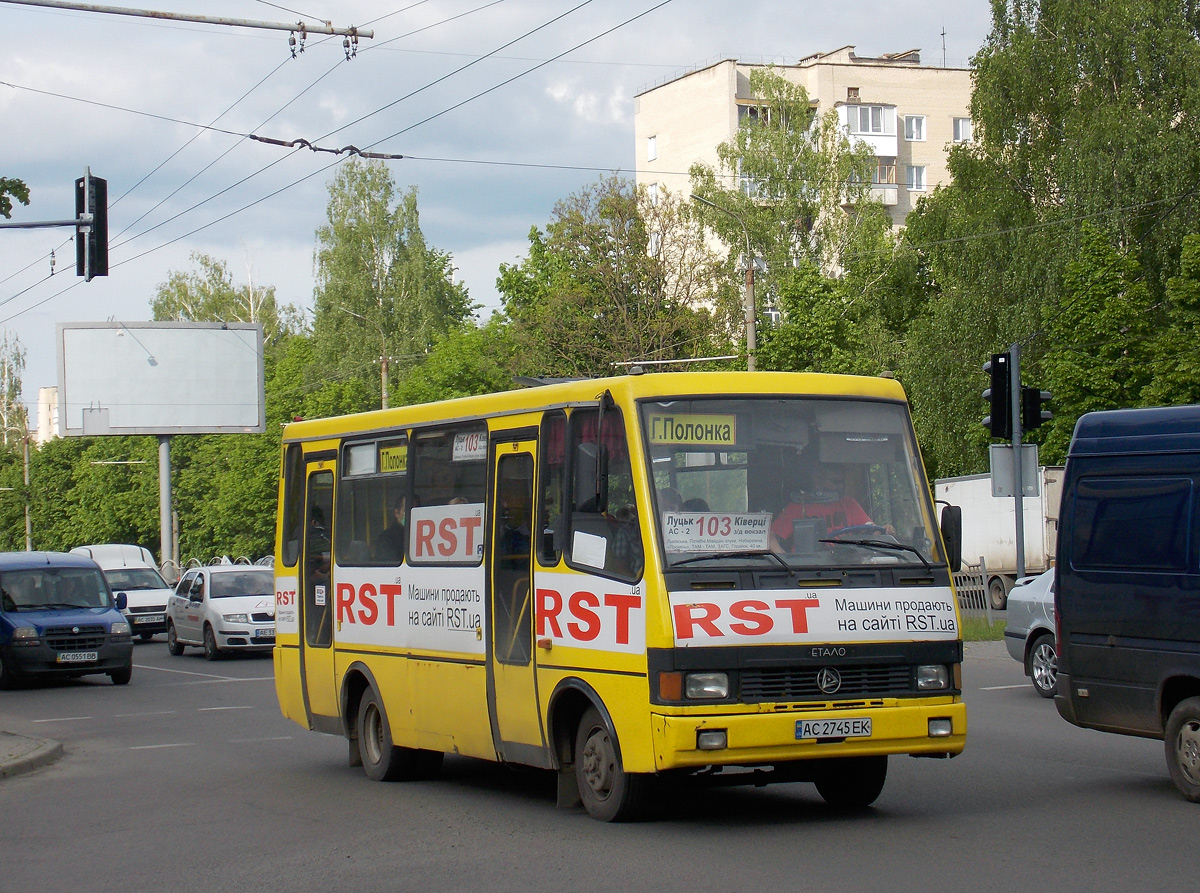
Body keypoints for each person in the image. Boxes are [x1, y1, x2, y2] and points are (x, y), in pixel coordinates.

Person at [770, 462, 877, 551]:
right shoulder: (798, 506)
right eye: (835, 482)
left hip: (846, 564)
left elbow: (869, 530)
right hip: (808, 569)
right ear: (818, 481)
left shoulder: (849, 504)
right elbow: (770, 538)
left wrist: (884, 530)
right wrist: (786, 562)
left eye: (842, 482)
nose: (840, 487)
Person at [372, 495, 407, 562]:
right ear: (396, 513)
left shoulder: (420, 535)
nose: (412, 514)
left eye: (415, 510)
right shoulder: (386, 538)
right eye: (406, 510)